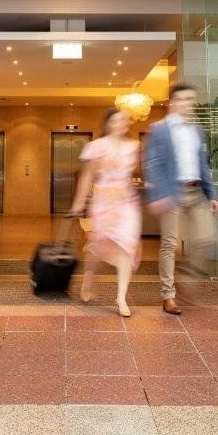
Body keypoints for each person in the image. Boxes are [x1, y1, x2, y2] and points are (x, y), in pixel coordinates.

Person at [144, 83, 218, 316]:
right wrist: (158, 194)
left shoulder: (197, 130)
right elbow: (153, 164)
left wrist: (212, 195)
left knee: (207, 238)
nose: (188, 103)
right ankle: (168, 295)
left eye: (191, 99)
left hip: (196, 192)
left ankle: (186, 276)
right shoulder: (159, 129)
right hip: (171, 192)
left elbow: (202, 165)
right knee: (169, 243)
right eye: (183, 99)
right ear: (173, 102)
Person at [69, 107, 141, 318]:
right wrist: (79, 202)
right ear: (108, 123)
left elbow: (130, 174)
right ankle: (89, 278)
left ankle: (121, 298)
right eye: (117, 120)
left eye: (124, 120)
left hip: (127, 203)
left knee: (128, 247)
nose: (121, 124)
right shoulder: (96, 146)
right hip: (103, 202)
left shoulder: (134, 146)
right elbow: (87, 176)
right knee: (98, 245)